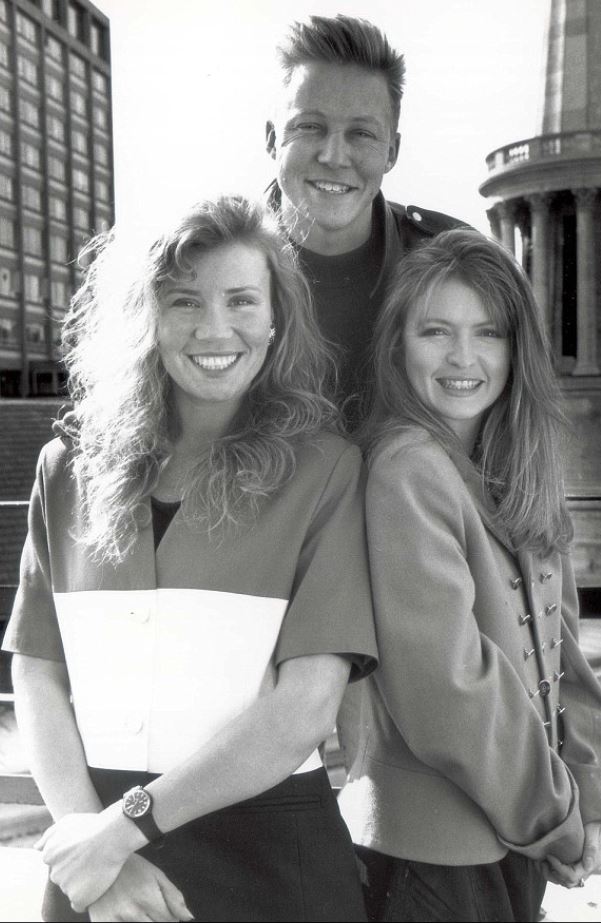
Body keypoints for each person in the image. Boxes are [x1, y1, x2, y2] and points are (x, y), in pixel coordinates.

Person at [3, 195, 377, 923]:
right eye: (184, 301)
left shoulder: (325, 470)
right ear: (146, 317)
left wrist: (120, 830)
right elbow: (36, 668)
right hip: (97, 866)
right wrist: (93, 849)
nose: (215, 328)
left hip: (269, 860)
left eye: (241, 300)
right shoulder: (66, 468)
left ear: (276, 317)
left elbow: (305, 704)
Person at [336, 229, 601, 922]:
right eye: (435, 331)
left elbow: (563, 646)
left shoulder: (522, 467)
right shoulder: (404, 467)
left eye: (488, 332)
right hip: (430, 859)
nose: (463, 358)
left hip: (516, 845)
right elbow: (447, 687)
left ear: (516, 347)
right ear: (396, 346)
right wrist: (558, 815)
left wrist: (591, 791)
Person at [266, 14, 467, 423]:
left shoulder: (455, 262)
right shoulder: (209, 265)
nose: (334, 156)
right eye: (309, 127)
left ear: (391, 151)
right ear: (272, 139)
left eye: (362, 133)